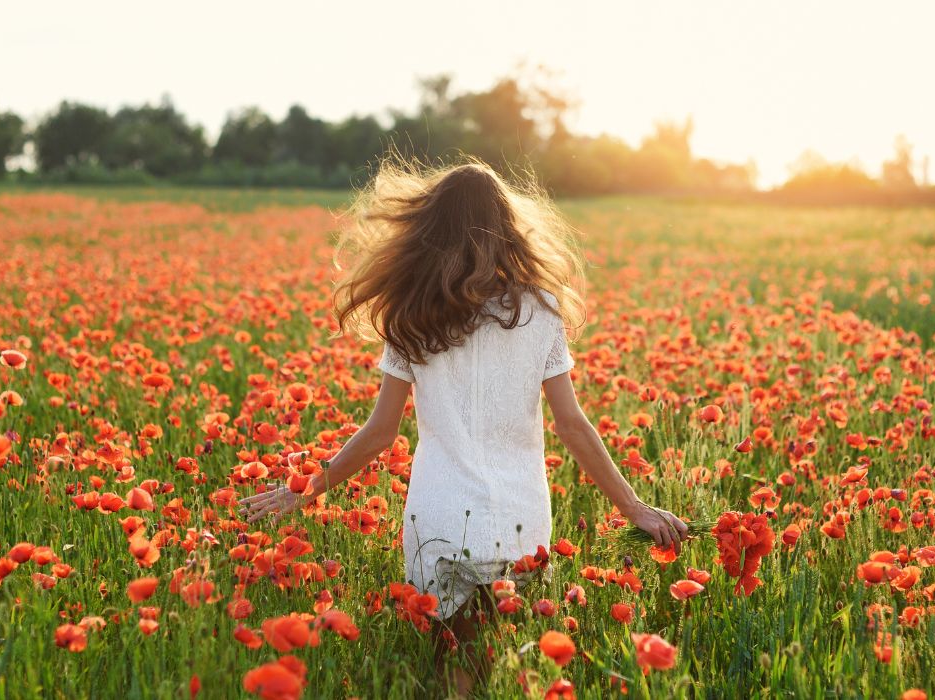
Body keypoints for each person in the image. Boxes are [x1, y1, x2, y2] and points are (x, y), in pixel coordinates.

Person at [239, 155, 689, 697]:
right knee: (492, 672)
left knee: (449, 673)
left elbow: (381, 432)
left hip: (440, 519)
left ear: (429, 231)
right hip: (517, 522)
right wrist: (635, 508)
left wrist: (304, 492)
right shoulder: (540, 311)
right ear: (507, 229)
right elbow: (572, 424)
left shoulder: (413, 314)